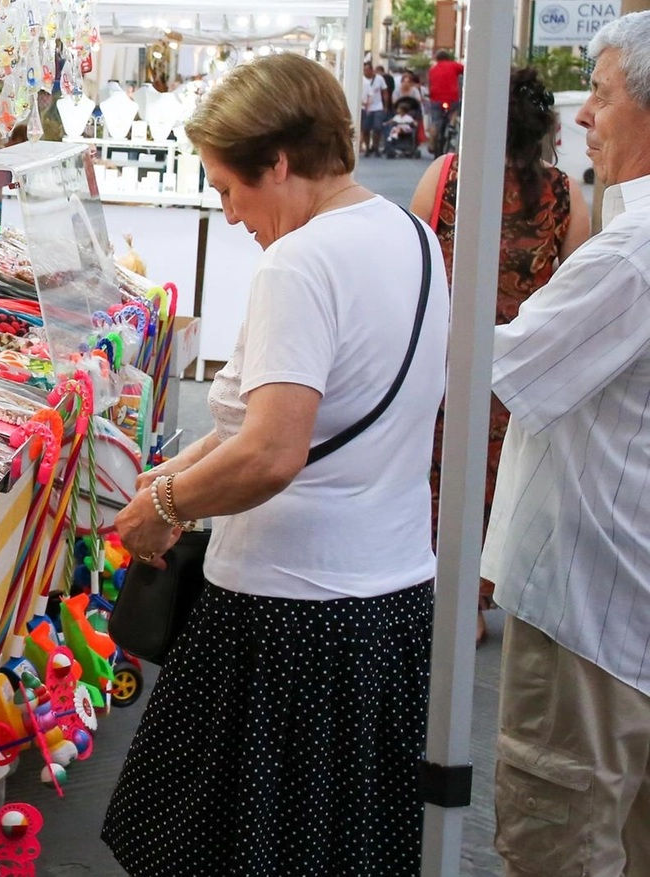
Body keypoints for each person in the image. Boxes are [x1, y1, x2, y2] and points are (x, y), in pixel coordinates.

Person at [101, 53, 449, 876]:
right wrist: (177, 469)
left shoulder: (298, 263)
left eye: (228, 188)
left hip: (289, 610)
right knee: (339, 845)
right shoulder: (411, 234)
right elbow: (323, 412)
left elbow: (273, 449)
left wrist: (168, 503)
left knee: (223, 843)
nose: (227, 214)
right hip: (388, 597)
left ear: (281, 163)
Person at [480, 13, 650, 875]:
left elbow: (497, 368)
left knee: (563, 843)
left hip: (596, 612)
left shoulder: (633, 251)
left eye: (606, 96)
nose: (587, 116)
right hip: (624, 605)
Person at [410, 66, 590, 644]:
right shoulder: (564, 194)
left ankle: (437, 592)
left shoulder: (445, 176)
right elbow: (575, 296)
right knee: (500, 484)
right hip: (516, 373)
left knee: (436, 477)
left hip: (443, 365)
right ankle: (481, 598)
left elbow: (414, 269)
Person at [427, 49, 465, 153]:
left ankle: (431, 143)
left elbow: (430, 83)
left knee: (435, 121)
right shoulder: (454, 65)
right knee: (454, 110)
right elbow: (466, 70)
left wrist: (429, 94)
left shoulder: (433, 69)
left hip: (436, 98)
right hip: (452, 97)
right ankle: (452, 125)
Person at [361, 60, 387, 155]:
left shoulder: (379, 79)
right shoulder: (362, 80)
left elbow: (384, 91)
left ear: (372, 70)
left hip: (377, 106)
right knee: (366, 128)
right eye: (364, 70)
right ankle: (367, 147)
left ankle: (375, 147)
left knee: (377, 127)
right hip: (365, 107)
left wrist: (385, 105)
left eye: (367, 69)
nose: (365, 72)